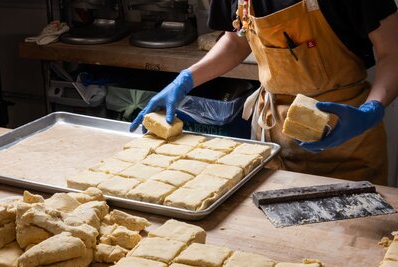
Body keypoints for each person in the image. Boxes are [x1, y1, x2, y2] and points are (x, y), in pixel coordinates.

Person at [130, 0, 398, 185]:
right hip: (274, 139)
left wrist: (370, 110)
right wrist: (187, 79)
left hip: (347, 137)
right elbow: (237, 40)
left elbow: (393, 52)